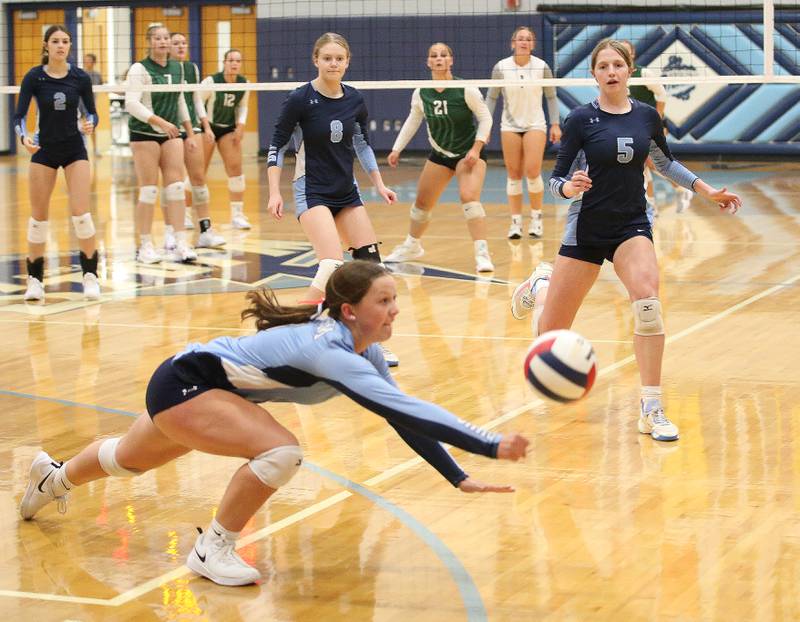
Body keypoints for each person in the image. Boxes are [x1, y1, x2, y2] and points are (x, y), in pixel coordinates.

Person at [20, 260, 530, 587]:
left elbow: (401, 416)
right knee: (281, 451)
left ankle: (52, 476)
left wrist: (456, 475)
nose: (395, 309)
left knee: (127, 461)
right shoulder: (328, 349)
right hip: (187, 384)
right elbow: (412, 411)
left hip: (199, 386)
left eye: (395, 298)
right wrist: (488, 444)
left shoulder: (364, 349)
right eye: (384, 300)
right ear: (350, 311)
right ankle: (213, 547)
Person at [509, 39, 742, 442]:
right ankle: (541, 286)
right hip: (586, 228)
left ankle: (651, 407)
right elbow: (556, 179)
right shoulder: (581, 119)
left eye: (618, 64)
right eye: (603, 66)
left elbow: (665, 163)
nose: (611, 71)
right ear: (594, 74)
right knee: (549, 336)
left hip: (631, 225)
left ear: (629, 70)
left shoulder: (647, 117)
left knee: (648, 303)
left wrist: (708, 192)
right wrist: (568, 190)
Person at [266, 32, 399, 366]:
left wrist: (379, 184)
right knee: (331, 265)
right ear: (316, 60)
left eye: (339, 59)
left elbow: (363, 146)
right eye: (327, 58)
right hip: (312, 190)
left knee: (373, 268)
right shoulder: (300, 98)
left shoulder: (354, 99)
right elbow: (277, 145)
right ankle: (289, 330)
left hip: (346, 191)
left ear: (347, 61)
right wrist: (273, 192)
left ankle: (368, 343)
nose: (333, 64)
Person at [384, 42, 494, 273]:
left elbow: (486, 119)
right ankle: (412, 246)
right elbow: (413, 120)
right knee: (422, 203)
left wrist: (476, 148)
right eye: (434, 55)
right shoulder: (422, 92)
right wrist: (397, 148)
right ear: (428, 62)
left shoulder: (466, 89)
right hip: (441, 153)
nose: (439, 59)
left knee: (469, 197)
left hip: (468, 154)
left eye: (443, 55)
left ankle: (482, 253)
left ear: (451, 60)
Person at [14, 25, 101, 301]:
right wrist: (23, 138)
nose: (61, 45)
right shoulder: (35, 77)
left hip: (75, 148)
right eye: (55, 41)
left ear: (70, 46)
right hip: (45, 149)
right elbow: (18, 116)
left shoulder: (80, 77)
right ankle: (35, 281)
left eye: (65, 41)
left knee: (81, 215)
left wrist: (90, 124)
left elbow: (93, 114)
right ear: (46, 45)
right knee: (38, 219)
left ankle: (90, 276)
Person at [125, 23, 196, 264]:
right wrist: (160, 122)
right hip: (144, 132)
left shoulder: (179, 68)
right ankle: (144, 245)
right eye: (157, 38)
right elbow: (131, 104)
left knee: (176, 188)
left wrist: (189, 132)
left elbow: (180, 101)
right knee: (148, 190)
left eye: (166, 37)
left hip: (171, 133)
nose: (163, 42)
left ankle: (180, 242)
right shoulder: (139, 68)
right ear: (149, 42)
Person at [486, 26, 562, 240]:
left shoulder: (541, 66)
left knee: (532, 170)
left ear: (533, 44)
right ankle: (516, 223)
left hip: (535, 124)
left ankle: (536, 219)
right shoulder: (501, 67)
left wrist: (555, 124)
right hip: (509, 125)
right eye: (520, 38)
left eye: (528, 39)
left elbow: (551, 97)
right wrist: (486, 125)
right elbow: (491, 98)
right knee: (513, 173)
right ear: (513, 43)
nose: (524, 42)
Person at [620, 40, 694, 216]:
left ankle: (682, 188)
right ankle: (651, 205)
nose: (622, 52)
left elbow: (661, 93)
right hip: (629, 126)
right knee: (642, 166)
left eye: (626, 50)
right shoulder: (617, 74)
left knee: (651, 162)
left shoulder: (643, 72)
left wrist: (658, 120)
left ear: (633, 54)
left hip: (648, 124)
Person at [167, 32, 225, 249]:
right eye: (176, 43)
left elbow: (196, 99)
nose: (181, 46)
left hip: (194, 126)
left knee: (198, 177)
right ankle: (173, 229)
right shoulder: (165, 70)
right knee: (173, 180)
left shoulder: (192, 68)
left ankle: (205, 229)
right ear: (168, 47)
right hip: (172, 126)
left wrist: (206, 125)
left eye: (184, 42)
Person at [201, 49, 252, 230]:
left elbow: (242, 107)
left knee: (236, 169)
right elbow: (197, 102)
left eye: (238, 61)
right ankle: (186, 213)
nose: (234, 64)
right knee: (199, 172)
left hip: (228, 128)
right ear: (224, 62)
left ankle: (237, 215)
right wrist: (205, 128)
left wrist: (241, 125)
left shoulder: (244, 83)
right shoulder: (211, 81)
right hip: (207, 127)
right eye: (231, 60)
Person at [81, 53, 103, 158]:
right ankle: (81, 148)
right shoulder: (80, 74)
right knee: (78, 126)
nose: (86, 62)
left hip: (90, 104)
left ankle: (95, 149)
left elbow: (102, 87)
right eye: (85, 60)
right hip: (78, 104)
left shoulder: (97, 75)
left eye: (89, 60)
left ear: (93, 62)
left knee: (92, 126)